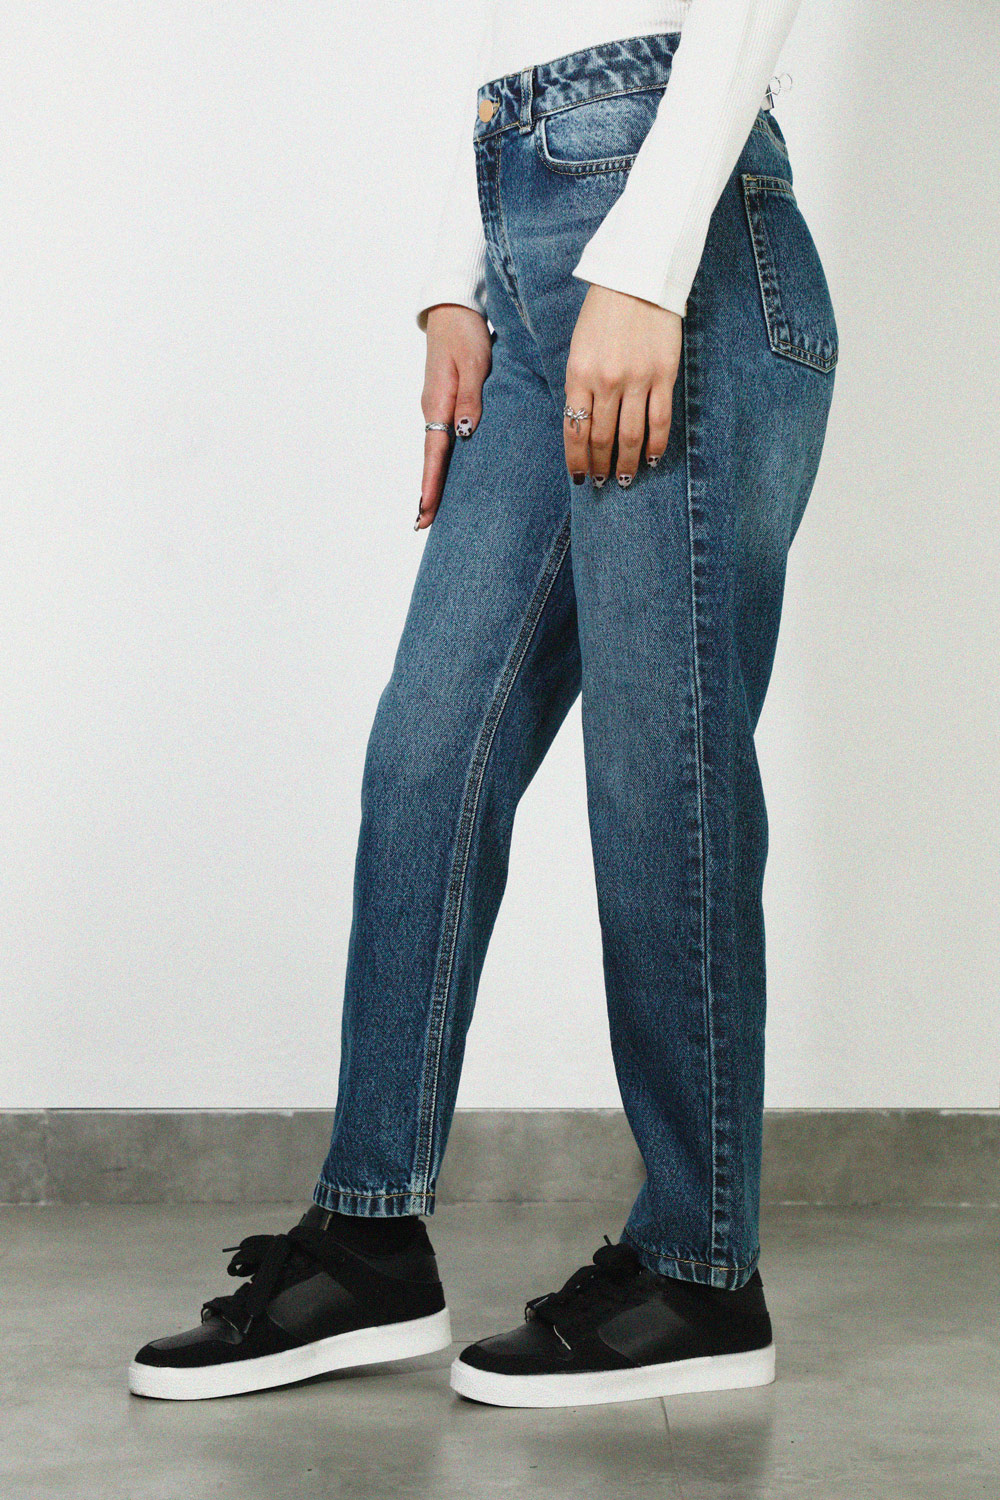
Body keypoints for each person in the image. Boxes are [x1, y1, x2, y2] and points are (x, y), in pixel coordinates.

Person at [129, 0, 838, 1407]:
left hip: (675, 241)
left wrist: (643, 263)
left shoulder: (657, 249)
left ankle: (701, 1271)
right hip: (530, 245)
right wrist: (458, 281)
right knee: (429, 750)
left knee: (662, 775)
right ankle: (369, 1240)